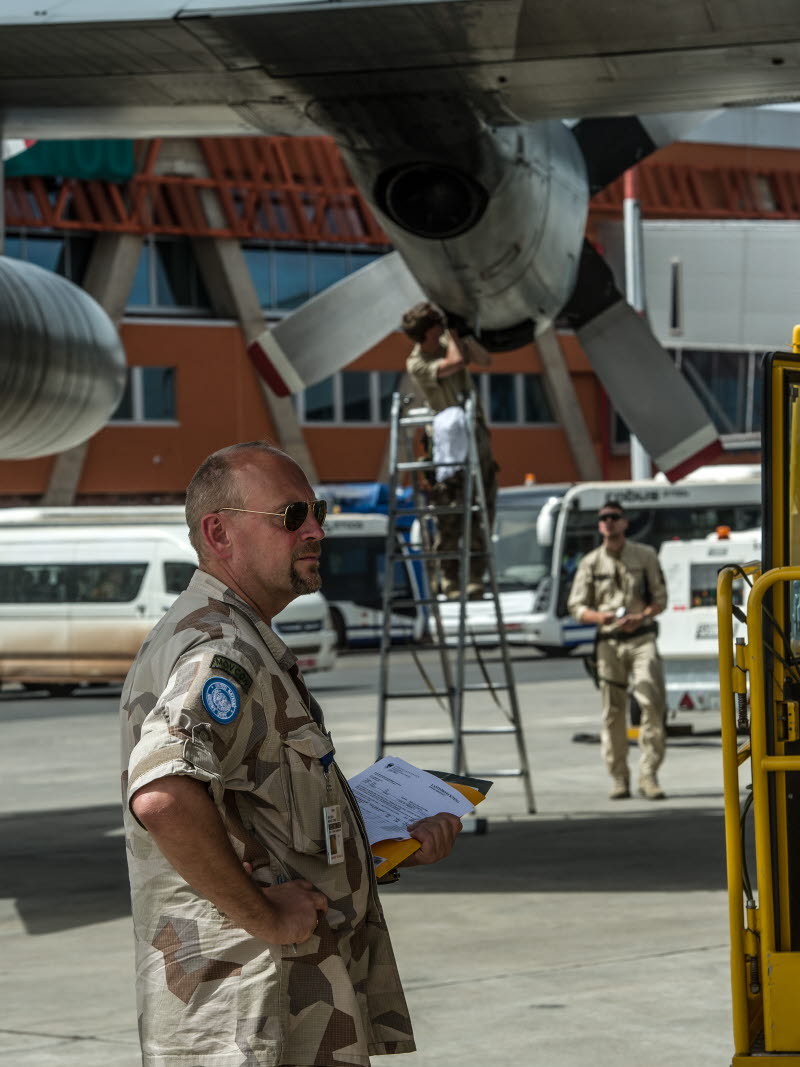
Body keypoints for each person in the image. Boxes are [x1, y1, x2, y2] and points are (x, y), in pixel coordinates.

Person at [120, 441, 462, 1067]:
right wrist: (268, 918)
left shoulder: (246, 639)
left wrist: (381, 843)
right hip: (250, 1018)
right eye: (292, 515)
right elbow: (164, 796)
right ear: (219, 532)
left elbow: (265, 819)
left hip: (293, 1008)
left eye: (317, 511)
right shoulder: (219, 651)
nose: (316, 529)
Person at [567, 500, 668, 801]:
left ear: (625, 523)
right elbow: (576, 606)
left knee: (651, 702)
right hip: (609, 641)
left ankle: (648, 775)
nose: (609, 522)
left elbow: (660, 599)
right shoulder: (591, 562)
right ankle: (619, 778)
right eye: (604, 518)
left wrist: (642, 615)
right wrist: (601, 617)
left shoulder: (644, 555)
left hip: (641, 638)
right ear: (600, 526)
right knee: (613, 712)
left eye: (614, 518)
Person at [401, 301, 497, 600]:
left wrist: (464, 334)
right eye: (438, 325)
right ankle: (450, 578)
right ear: (428, 332)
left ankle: (475, 578)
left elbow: (484, 360)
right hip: (446, 446)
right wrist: (454, 338)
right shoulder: (417, 362)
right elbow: (455, 362)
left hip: (474, 435)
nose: (443, 328)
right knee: (449, 512)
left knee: (481, 510)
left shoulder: (448, 342)